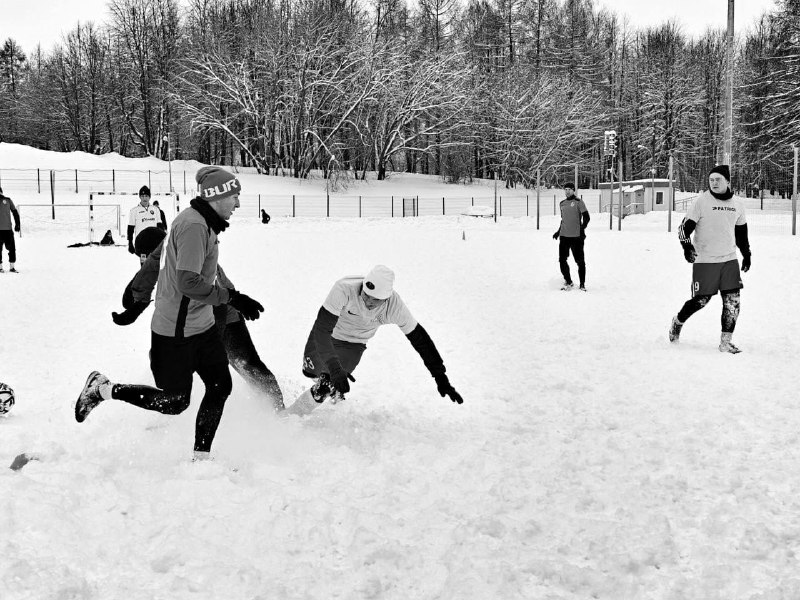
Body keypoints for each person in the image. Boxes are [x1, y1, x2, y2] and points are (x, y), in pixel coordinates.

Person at [76, 167, 266, 459]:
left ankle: (200, 458)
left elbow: (169, 267)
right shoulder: (193, 226)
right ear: (218, 195)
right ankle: (102, 388)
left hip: (201, 327)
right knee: (175, 402)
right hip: (175, 333)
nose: (238, 204)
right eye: (235, 197)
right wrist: (233, 298)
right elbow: (188, 283)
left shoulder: (205, 223)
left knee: (220, 386)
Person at [112, 227, 284, 412]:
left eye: (145, 255)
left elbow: (215, 300)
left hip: (225, 317)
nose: (142, 261)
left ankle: (278, 410)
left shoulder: (189, 260)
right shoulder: (165, 258)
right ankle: (168, 411)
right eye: (141, 257)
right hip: (192, 323)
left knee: (247, 365)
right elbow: (134, 292)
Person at [287, 265, 463, 415]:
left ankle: (288, 417)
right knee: (311, 373)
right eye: (366, 295)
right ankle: (335, 391)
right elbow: (322, 330)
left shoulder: (395, 307)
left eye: (376, 300)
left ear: (386, 299)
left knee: (324, 386)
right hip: (327, 335)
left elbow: (421, 341)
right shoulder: (344, 289)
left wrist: (440, 376)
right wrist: (334, 367)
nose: (368, 301)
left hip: (353, 345)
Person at [669, 165, 751, 353]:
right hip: (705, 260)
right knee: (701, 301)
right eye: (711, 179)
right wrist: (687, 246)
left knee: (733, 301)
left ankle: (725, 342)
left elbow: (741, 234)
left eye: (718, 179)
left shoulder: (738, 204)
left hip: (729, 259)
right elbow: (683, 229)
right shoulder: (701, 202)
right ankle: (678, 321)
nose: (714, 183)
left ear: (728, 181)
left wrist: (746, 253)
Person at [552, 183, 589, 291]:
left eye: (569, 189)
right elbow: (563, 220)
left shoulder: (579, 202)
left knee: (580, 261)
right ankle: (568, 281)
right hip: (564, 236)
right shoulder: (562, 203)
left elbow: (587, 217)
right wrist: (558, 232)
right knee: (562, 260)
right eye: (566, 189)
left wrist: (582, 228)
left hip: (576, 237)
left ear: (573, 190)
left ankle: (582, 284)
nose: (567, 191)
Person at [127, 186, 160, 262]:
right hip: (142, 244)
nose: (144, 198)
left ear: (149, 197)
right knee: (144, 266)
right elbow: (130, 229)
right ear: (139, 197)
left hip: (155, 243)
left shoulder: (155, 209)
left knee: (155, 265)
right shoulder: (134, 211)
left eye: (146, 196)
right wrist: (130, 243)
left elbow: (159, 226)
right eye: (142, 196)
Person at [0, 186, 20, 273]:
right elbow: (15, 213)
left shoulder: (8, 200)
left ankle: (11, 267)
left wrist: (17, 224)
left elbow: (15, 212)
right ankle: (1, 267)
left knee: (12, 248)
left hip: (8, 229)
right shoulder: (7, 200)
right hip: (5, 229)